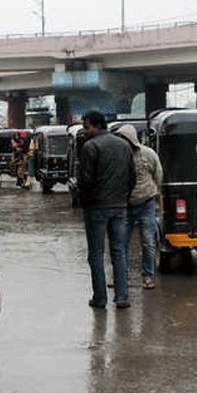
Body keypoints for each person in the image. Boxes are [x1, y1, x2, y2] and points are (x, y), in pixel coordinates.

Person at [79, 110, 135, 309]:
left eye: (86, 127)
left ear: (97, 126)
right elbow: (132, 177)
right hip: (120, 207)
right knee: (119, 252)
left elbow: (84, 181)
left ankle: (100, 298)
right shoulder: (124, 146)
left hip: (96, 208)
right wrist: (124, 199)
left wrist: (85, 203)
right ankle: (121, 297)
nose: (84, 131)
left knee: (96, 254)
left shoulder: (90, 147)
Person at [115, 124, 163, 290]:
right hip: (125, 205)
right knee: (120, 244)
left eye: (123, 139)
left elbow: (158, 174)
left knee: (148, 243)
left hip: (146, 203)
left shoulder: (148, 154)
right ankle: (121, 277)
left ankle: (148, 277)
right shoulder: (117, 156)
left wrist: (157, 193)